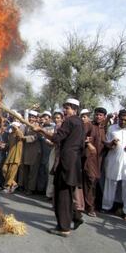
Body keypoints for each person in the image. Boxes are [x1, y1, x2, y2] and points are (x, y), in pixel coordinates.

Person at [33, 98, 85, 237]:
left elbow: (57, 138)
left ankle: (64, 228)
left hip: (66, 163)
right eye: (64, 107)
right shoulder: (80, 122)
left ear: (74, 109)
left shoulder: (69, 121)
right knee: (67, 194)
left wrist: (41, 131)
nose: (64, 110)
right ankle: (75, 217)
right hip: (74, 162)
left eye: (67, 108)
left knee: (62, 196)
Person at [102, 109, 126, 221]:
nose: (123, 122)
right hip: (114, 160)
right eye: (121, 119)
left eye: (125, 120)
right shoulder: (112, 128)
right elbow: (105, 143)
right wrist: (110, 144)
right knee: (110, 183)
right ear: (118, 118)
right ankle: (106, 207)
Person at [19, 110, 41, 195]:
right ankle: (25, 186)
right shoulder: (26, 126)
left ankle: (30, 189)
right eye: (30, 116)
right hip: (26, 150)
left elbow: (35, 137)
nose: (31, 118)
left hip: (35, 152)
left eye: (33, 117)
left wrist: (24, 138)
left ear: (36, 118)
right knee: (25, 170)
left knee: (33, 172)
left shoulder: (38, 126)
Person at [46, 110, 64, 199]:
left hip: (60, 152)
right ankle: (49, 194)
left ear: (62, 119)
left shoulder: (63, 127)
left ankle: (55, 195)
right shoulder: (54, 127)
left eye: (58, 118)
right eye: (55, 118)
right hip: (54, 151)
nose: (56, 119)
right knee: (51, 172)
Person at [1, 122, 23, 193]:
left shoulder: (19, 134)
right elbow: (9, 144)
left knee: (11, 173)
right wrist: (3, 145)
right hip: (10, 155)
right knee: (4, 169)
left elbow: (21, 136)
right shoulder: (10, 134)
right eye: (12, 127)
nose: (12, 128)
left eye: (13, 127)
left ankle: (8, 187)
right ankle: (14, 184)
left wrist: (17, 129)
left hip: (16, 156)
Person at [37, 111, 55, 193]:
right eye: (43, 118)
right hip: (42, 152)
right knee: (41, 171)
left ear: (50, 119)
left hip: (50, 152)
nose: (44, 120)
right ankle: (41, 189)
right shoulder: (41, 128)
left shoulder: (53, 127)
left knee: (48, 171)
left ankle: (47, 191)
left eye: (46, 118)